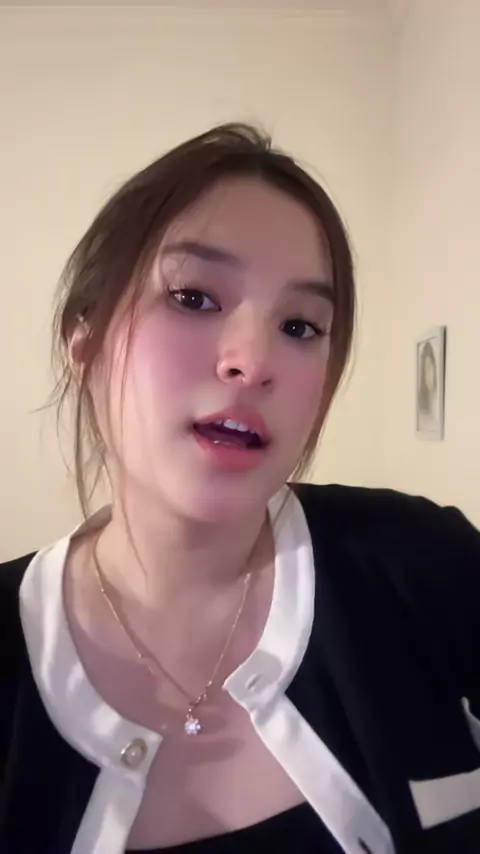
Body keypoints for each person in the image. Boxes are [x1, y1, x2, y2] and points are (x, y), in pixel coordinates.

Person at [1, 124, 480, 854]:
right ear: (85, 343)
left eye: (301, 326)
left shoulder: (421, 563)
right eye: (193, 297)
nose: (253, 362)